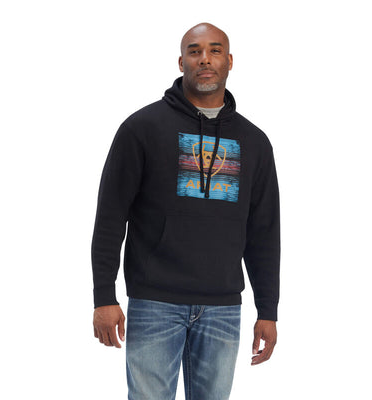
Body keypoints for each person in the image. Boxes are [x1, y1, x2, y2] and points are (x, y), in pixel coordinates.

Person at [92, 22, 281, 400]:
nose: (205, 59)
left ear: (229, 61)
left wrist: (267, 309)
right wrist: (104, 297)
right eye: (195, 51)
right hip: (154, 302)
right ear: (181, 63)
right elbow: (110, 217)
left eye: (214, 50)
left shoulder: (254, 142)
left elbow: (264, 231)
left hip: (222, 307)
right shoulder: (142, 128)